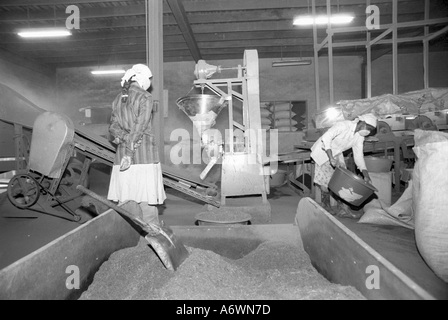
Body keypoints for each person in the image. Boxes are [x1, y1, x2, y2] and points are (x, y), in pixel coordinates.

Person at [107, 64, 166, 225]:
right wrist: (129, 154)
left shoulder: (118, 99)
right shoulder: (145, 97)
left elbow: (112, 128)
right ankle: (153, 238)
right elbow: (139, 128)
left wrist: (124, 138)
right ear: (143, 79)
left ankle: (124, 239)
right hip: (143, 155)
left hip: (121, 159)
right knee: (146, 203)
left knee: (125, 202)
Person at [310, 113, 378, 218]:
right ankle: (326, 206)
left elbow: (359, 156)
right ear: (362, 122)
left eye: (370, 130)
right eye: (368, 128)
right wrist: (330, 157)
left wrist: (366, 174)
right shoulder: (344, 125)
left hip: (337, 152)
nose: (368, 131)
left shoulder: (359, 137)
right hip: (323, 151)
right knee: (325, 180)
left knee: (342, 180)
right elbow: (326, 137)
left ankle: (344, 209)